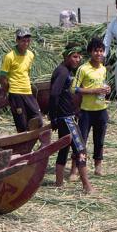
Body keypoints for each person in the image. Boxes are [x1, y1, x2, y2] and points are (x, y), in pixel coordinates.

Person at [48, 48, 91, 193]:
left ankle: (59, 183)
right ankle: (87, 186)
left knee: (64, 149)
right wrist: (53, 117)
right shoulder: (63, 72)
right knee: (80, 149)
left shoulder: (65, 71)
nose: (77, 60)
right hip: (65, 118)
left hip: (66, 116)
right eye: (74, 57)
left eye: (79, 57)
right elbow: (54, 94)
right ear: (66, 57)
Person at [74, 36, 111, 176]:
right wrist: (92, 91)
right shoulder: (83, 69)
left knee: (99, 140)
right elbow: (74, 88)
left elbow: (103, 85)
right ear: (90, 52)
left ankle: (98, 166)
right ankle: (78, 166)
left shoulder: (103, 69)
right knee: (82, 141)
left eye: (101, 51)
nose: (99, 54)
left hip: (101, 110)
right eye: (96, 51)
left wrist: (107, 89)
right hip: (86, 111)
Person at [0, 28, 42, 133]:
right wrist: (9, 89)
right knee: (21, 124)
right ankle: (23, 145)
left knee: (37, 118)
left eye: (28, 41)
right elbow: (2, 76)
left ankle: (31, 139)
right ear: (17, 40)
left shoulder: (30, 55)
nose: (26, 43)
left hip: (27, 91)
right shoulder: (10, 56)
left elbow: (27, 72)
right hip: (15, 93)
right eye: (23, 41)